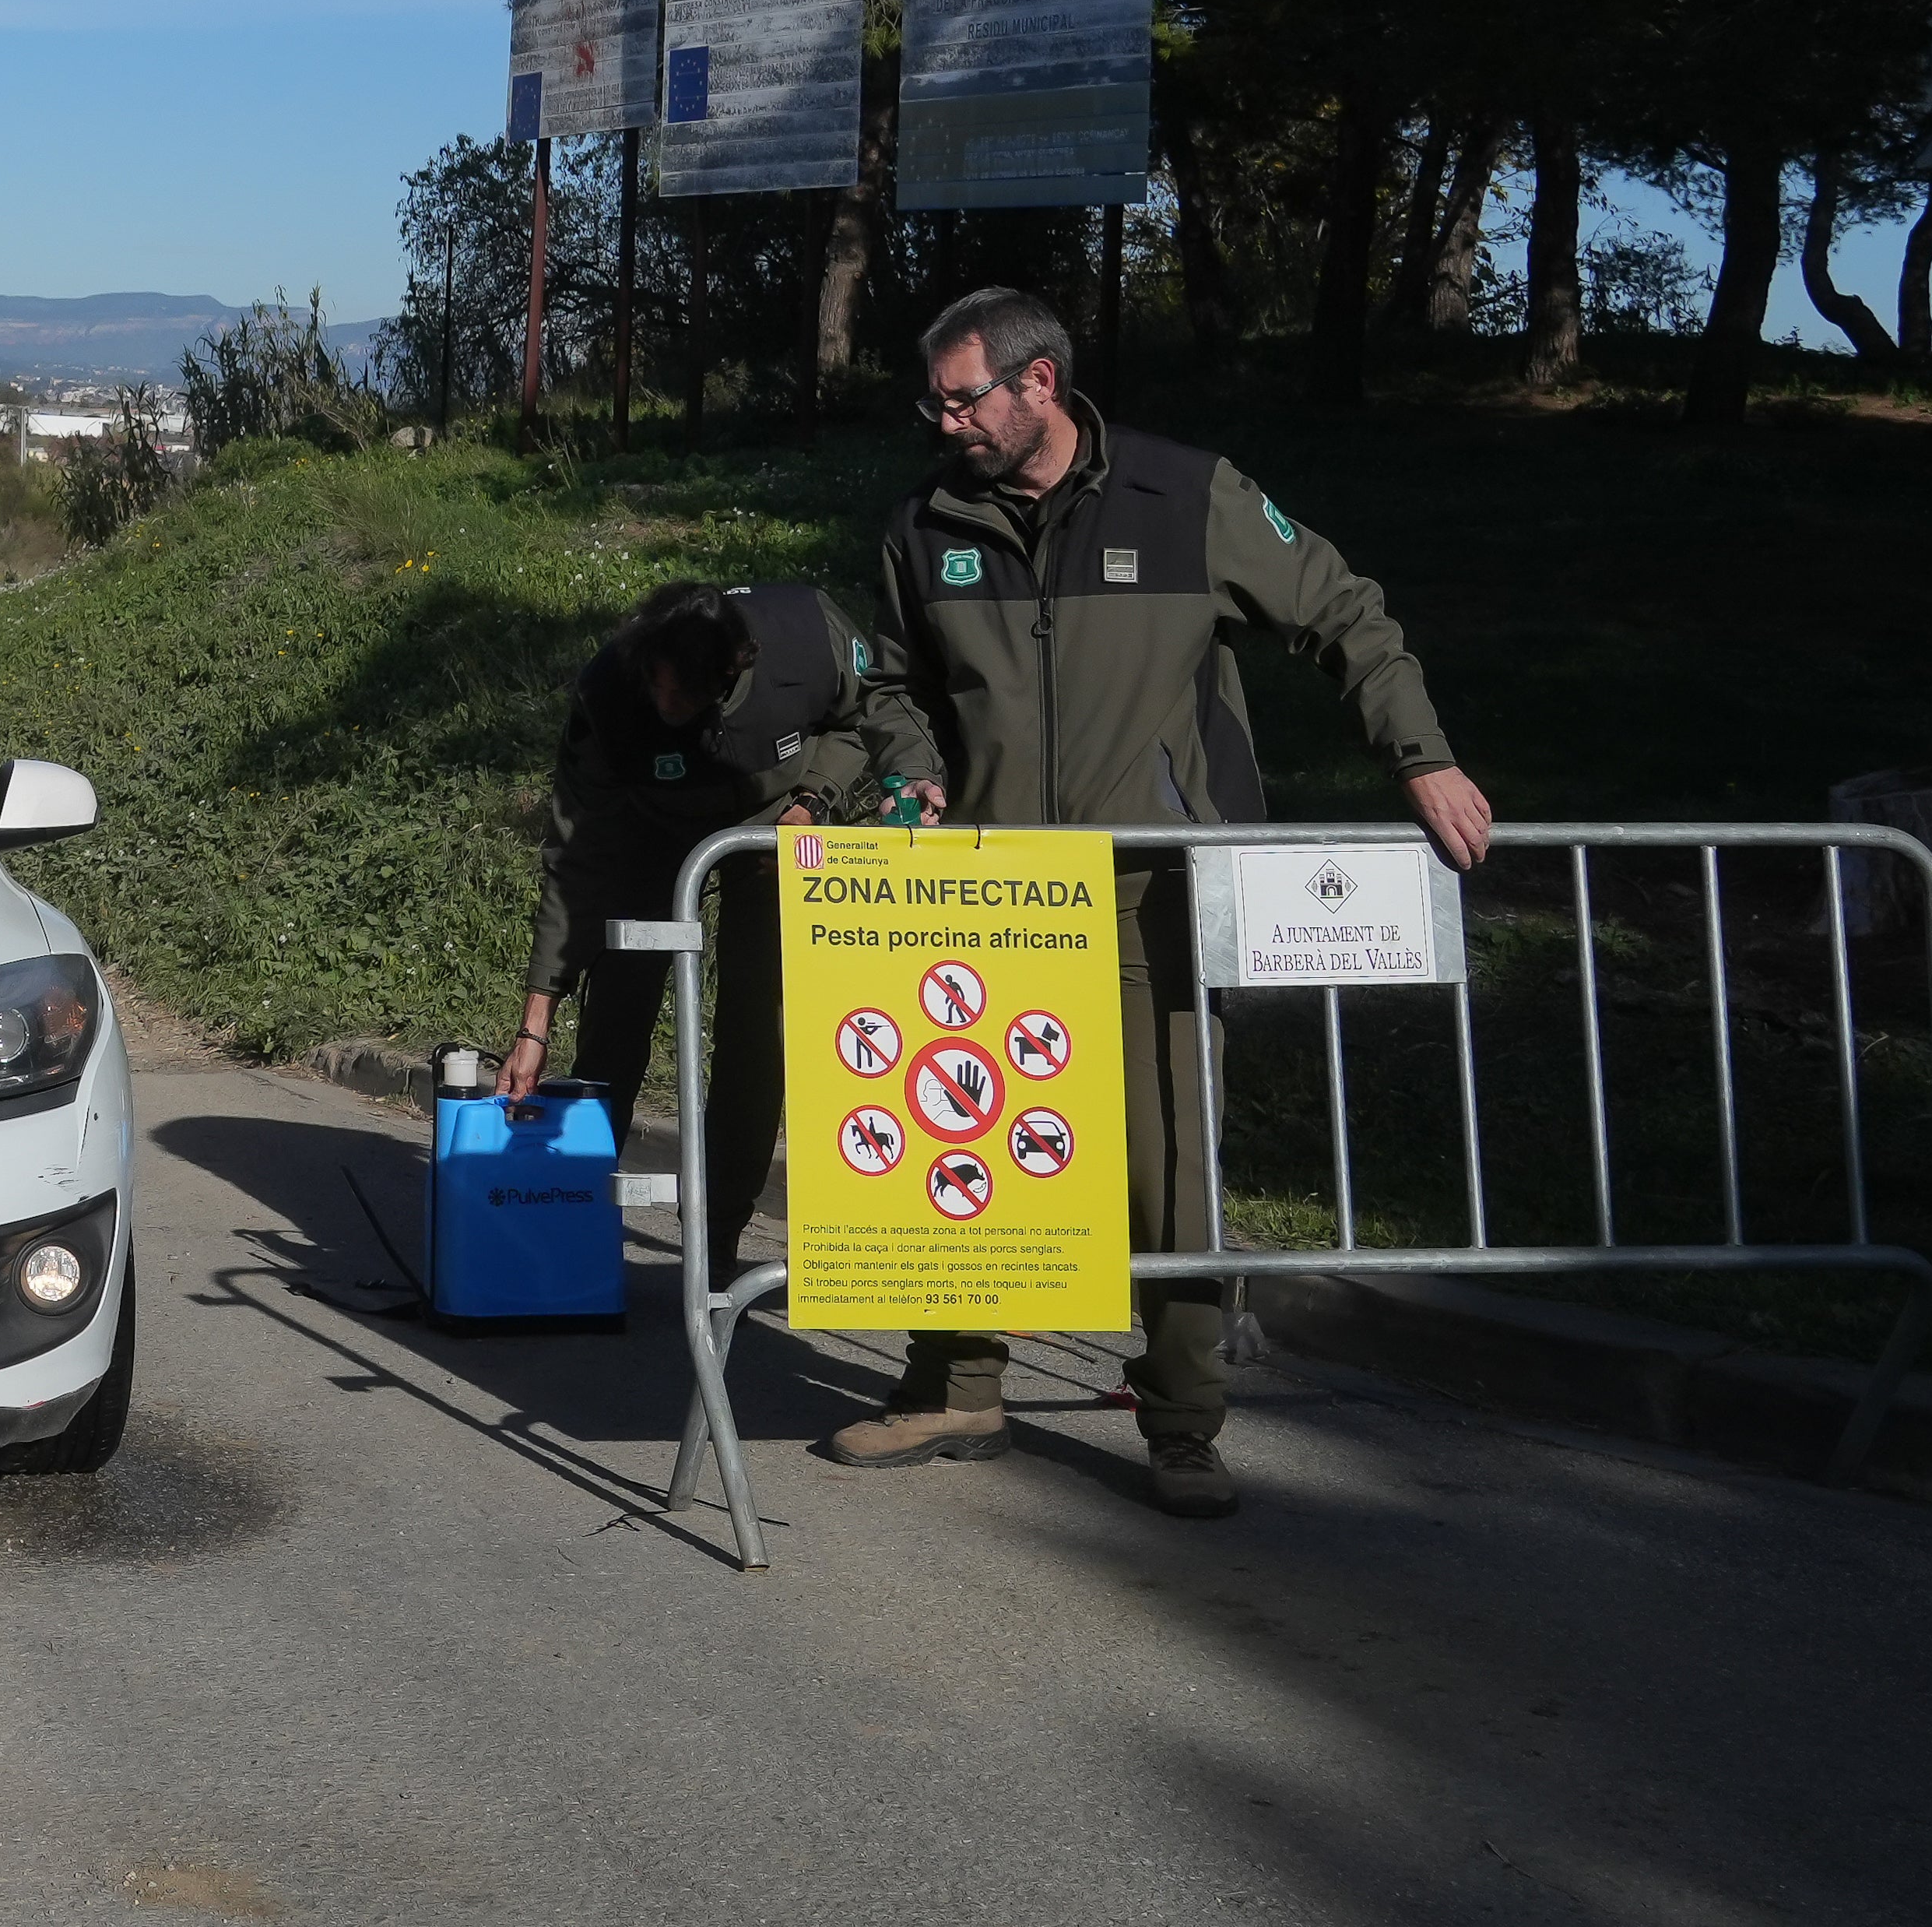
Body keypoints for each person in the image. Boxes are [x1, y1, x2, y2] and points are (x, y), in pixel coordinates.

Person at [826, 285, 1493, 1521]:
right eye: (933, 396)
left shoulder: (1186, 496)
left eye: (961, 394)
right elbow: (889, 680)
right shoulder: (924, 524)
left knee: (1169, 1166)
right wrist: (906, 760)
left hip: (1152, 892)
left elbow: (1343, 607)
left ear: (1039, 383)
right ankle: (956, 1381)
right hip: (984, 899)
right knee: (959, 1141)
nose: (942, 418)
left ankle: (1182, 1418)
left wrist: (1421, 753)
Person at [499, 582, 938, 1289]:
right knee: (615, 1017)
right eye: (656, 690)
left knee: (754, 1029)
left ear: (735, 666)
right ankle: (578, 1215)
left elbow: (871, 712)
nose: (663, 708)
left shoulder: (809, 634)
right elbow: (575, 856)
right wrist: (535, 1019)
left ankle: (719, 1230)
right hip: (648, 831)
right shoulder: (612, 691)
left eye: (681, 699)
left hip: (772, 828)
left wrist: (813, 797)